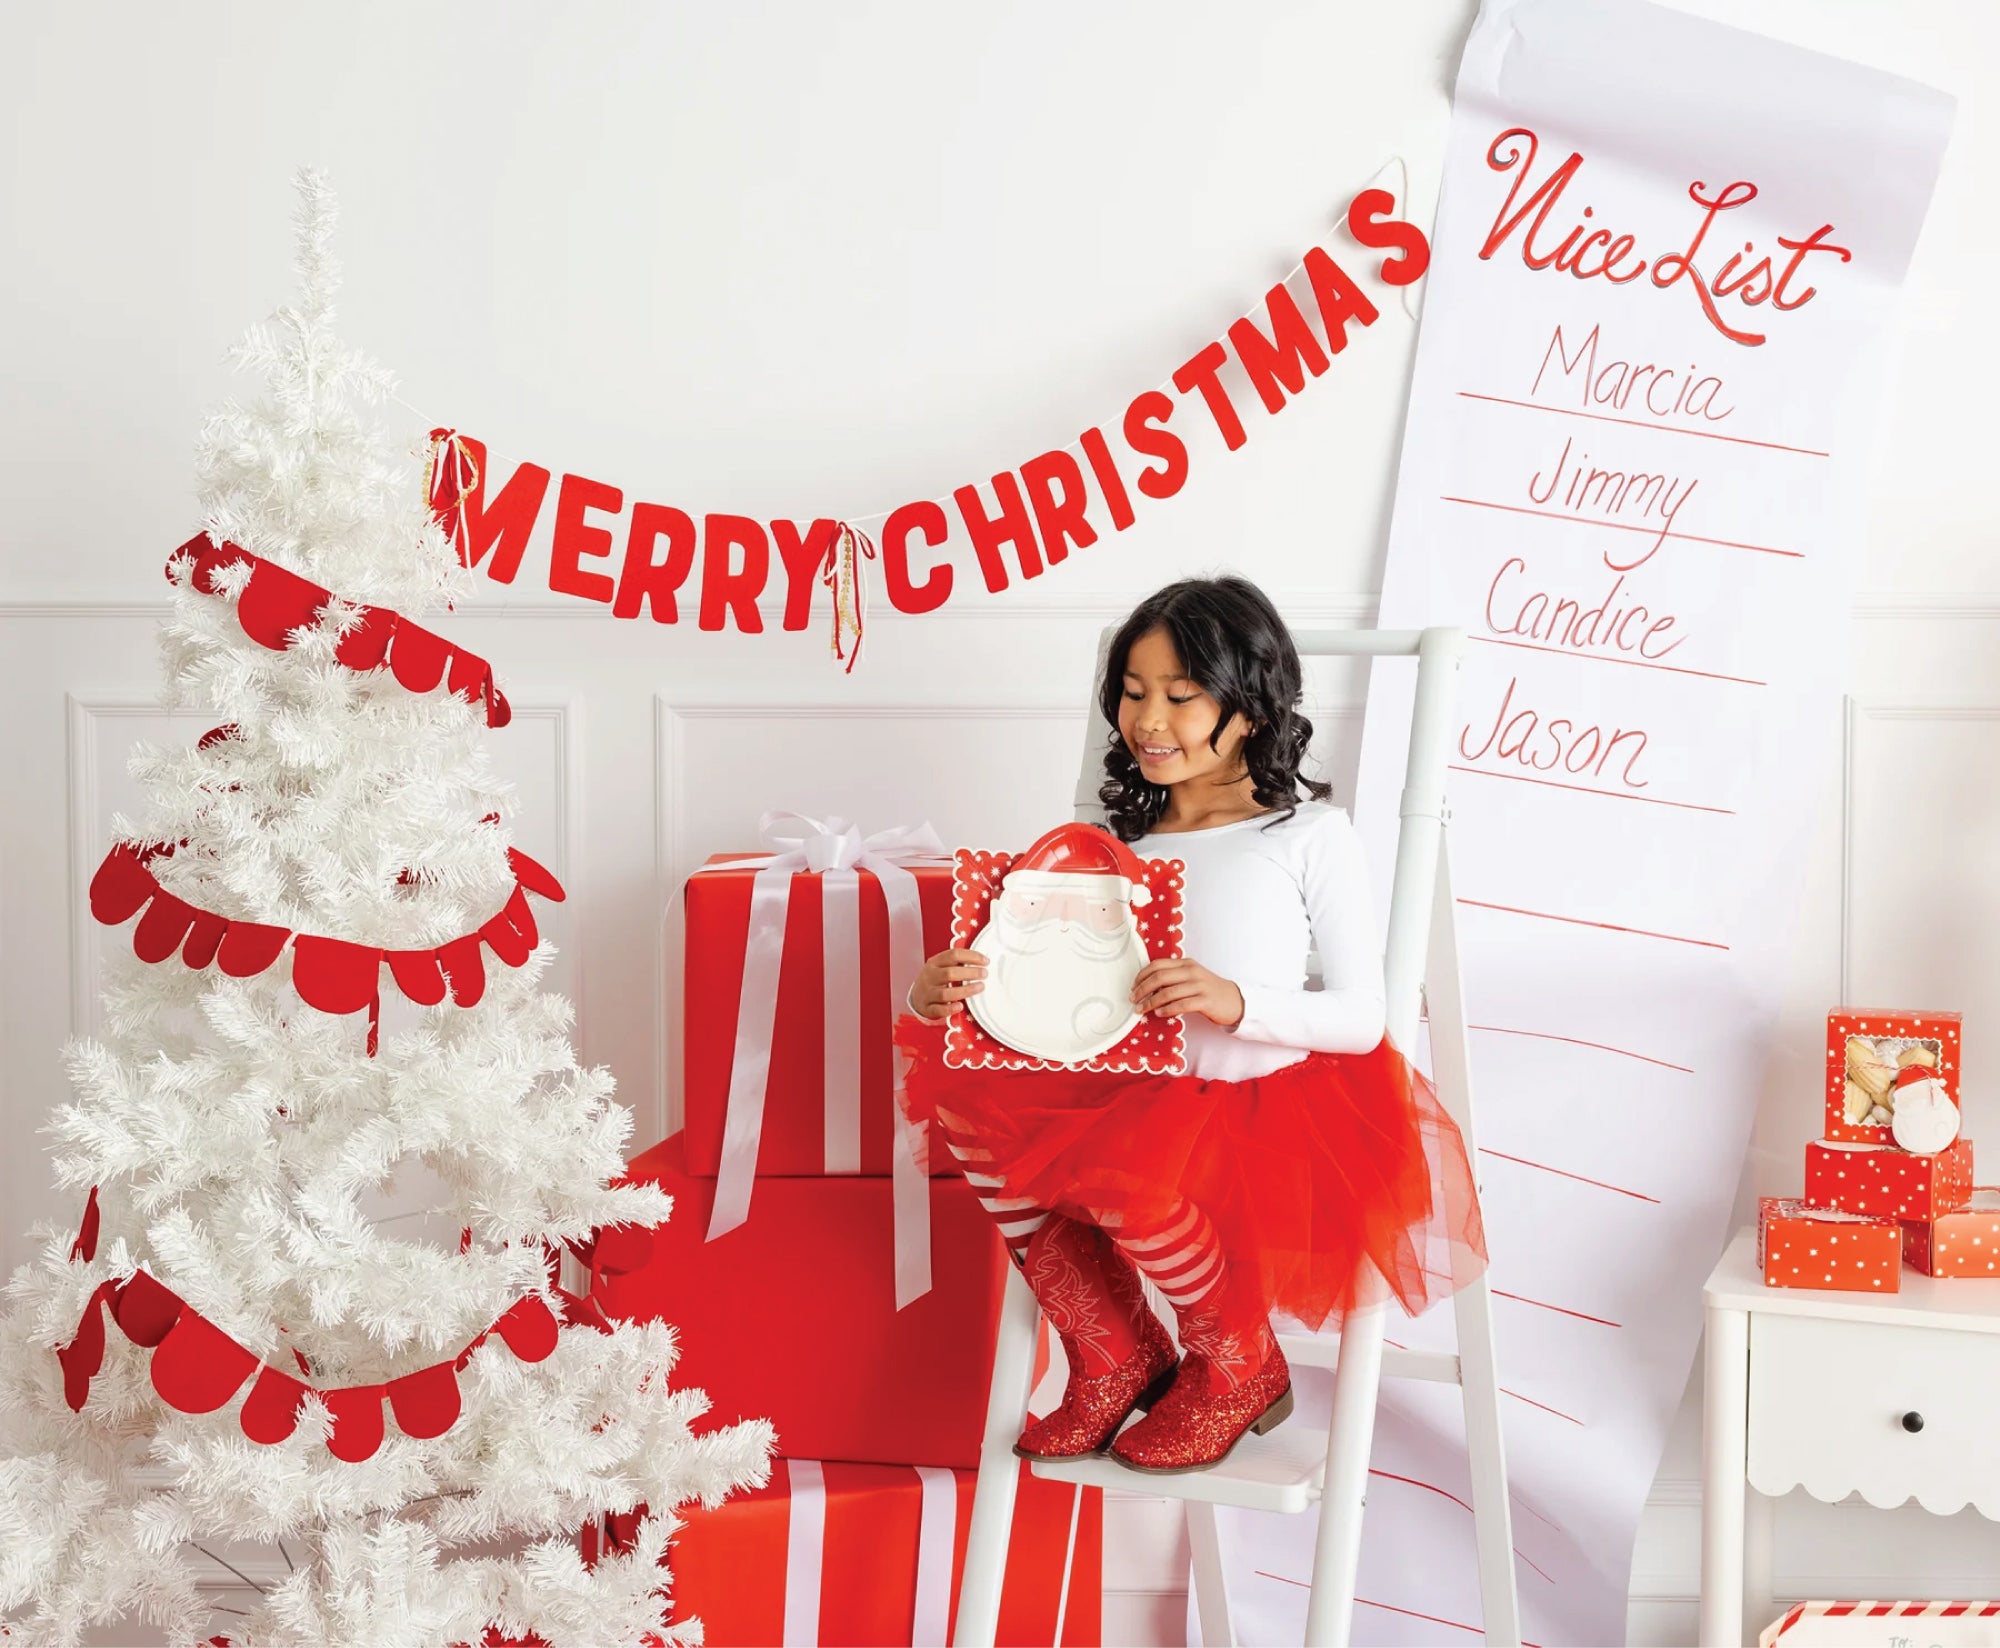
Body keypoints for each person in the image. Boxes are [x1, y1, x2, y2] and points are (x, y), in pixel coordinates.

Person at [897, 575, 1485, 1473]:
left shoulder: (1304, 836)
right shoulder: (1110, 846)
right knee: (975, 1116)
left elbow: (1367, 1016)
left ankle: (1235, 1359)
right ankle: (1114, 1351)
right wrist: (953, 989)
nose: (1149, 720)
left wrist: (1236, 1001)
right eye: (1133, 694)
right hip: (1128, 1086)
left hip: (1258, 1107)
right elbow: (1052, 986)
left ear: (1248, 707)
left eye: (1181, 696)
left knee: (1131, 1166)